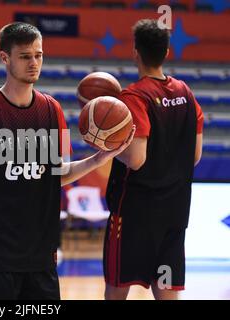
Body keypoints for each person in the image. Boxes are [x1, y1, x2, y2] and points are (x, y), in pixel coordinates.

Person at [0, 22, 134, 300]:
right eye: (25, 56)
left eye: (39, 55)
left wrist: (100, 158)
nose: (34, 63)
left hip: (42, 255)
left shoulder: (52, 110)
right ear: (4, 58)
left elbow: (55, 175)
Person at [103, 19, 204, 300]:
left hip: (135, 213)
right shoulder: (187, 94)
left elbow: (136, 159)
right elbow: (194, 157)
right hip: (174, 212)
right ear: (167, 52)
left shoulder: (134, 96)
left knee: (118, 287)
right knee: (166, 288)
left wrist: (108, 144)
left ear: (135, 52)